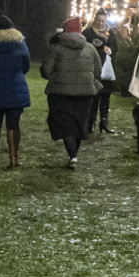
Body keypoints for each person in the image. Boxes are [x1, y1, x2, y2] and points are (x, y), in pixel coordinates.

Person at [41, 17, 102, 169]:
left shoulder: (56, 47)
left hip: (61, 93)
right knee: (80, 124)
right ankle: (74, 156)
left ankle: (72, 156)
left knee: (66, 125)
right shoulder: (90, 48)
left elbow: (47, 71)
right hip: (85, 93)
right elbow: (98, 71)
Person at [0, 12, 30, 169]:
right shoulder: (19, 43)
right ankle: (14, 158)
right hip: (15, 87)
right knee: (13, 124)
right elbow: (26, 65)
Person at [82, 8, 118, 134]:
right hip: (93, 70)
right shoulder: (88, 33)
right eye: (98, 20)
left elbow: (115, 46)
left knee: (106, 97)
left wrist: (109, 49)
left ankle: (104, 122)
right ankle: (90, 122)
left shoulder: (110, 33)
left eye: (103, 21)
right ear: (94, 19)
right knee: (94, 97)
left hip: (106, 70)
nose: (100, 23)